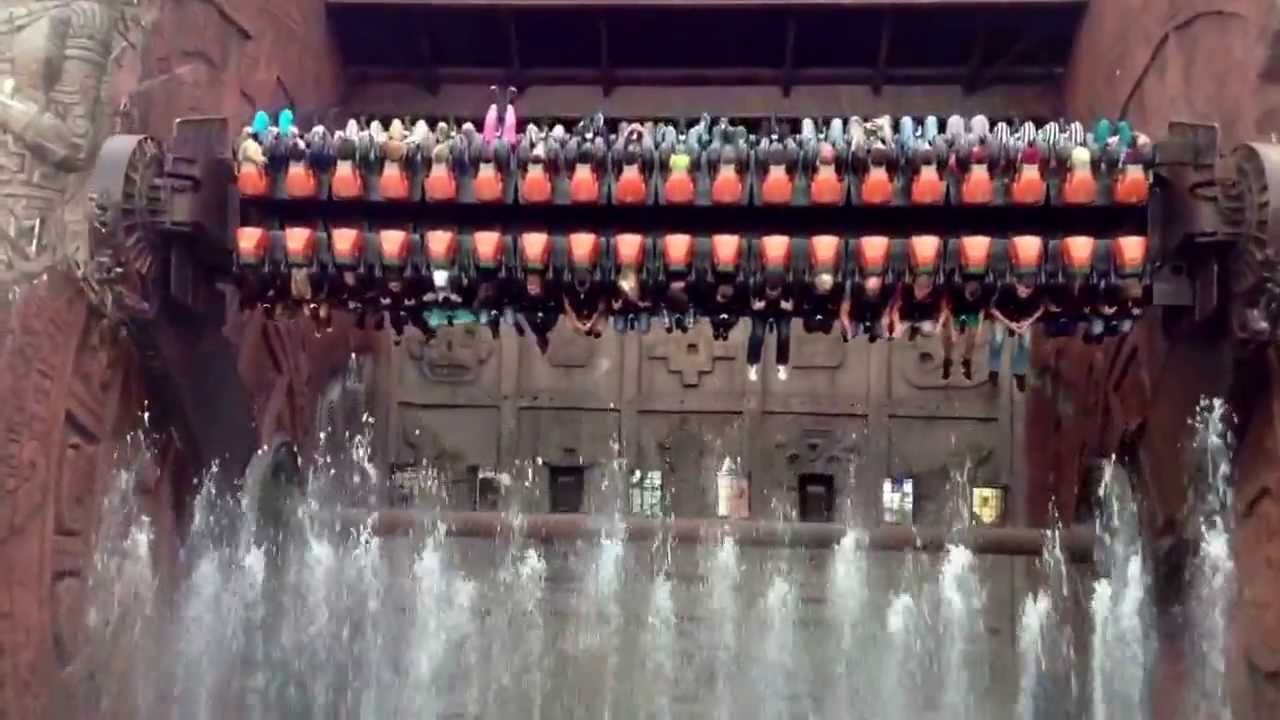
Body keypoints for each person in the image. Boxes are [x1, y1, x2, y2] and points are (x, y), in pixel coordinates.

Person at [988, 277, 1044, 392]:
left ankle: (1019, 372)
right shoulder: (1005, 289)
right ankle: (994, 370)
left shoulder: (1036, 293)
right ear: (1017, 285)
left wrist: (1028, 322)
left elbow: (1040, 309)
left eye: (1028, 293)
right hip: (1004, 317)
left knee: (1026, 344)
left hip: (1023, 319)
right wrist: (1010, 324)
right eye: (1022, 291)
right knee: (997, 342)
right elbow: (993, 309)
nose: (1024, 295)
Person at [746, 273, 794, 381]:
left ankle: (781, 364)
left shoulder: (788, 287)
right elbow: (752, 305)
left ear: (780, 289)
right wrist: (757, 306)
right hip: (761, 312)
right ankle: (752, 363)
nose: (772, 294)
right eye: (769, 291)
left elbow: (792, 306)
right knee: (758, 334)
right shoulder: (758, 286)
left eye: (775, 292)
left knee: (784, 333)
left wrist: (785, 305)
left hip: (781, 312)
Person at [942, 278, 990, 381]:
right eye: (969, 297)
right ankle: (947, 360)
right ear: (965, 291)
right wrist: (953, 332)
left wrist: (979, 331)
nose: (971, 300)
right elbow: (948, 312)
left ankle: (966, 360)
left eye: (973, 299)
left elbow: (981, 312)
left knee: (973, 334)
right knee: (949, 336)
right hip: (957, 313)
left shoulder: (982, 293)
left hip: (970, 314)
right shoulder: (956, 290)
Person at [890, 273, 947, 341]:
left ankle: (918, 329)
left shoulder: (937, 293)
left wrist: (939, 324)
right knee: (894, 334)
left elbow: (943, 310)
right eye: (918, 289)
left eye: (923, 290)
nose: (920, 293)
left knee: (931, 330)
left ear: (930, 288)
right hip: (906, 318)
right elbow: (895, 309)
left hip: (925, 318)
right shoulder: (904, 290)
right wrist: (897, 324)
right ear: (913, 285)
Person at [514, 271, 560, 353]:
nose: (539, 341)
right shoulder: (550, 324)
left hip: (527, 287)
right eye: (542, 343)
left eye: (539, 344)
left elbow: (518, 315)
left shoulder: (528, 329)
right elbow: (555, 308)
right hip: (541, 284)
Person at [840, 274, 892, 342]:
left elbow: (886, 313)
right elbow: (844, 312)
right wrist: (848, 331)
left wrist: (885, 332)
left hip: (874, 313)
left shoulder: (885, 292)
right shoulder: (855, 290)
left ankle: (874, 332)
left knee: (879, 330)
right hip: (858, 311)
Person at [564, 269, 606, 337]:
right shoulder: (591, 315)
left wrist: (580, 325)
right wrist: (590, 323)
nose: (585, 323)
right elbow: (597, 311)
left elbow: (571, 312)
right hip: (588, 287)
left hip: (578, 287)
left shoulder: (578, 315)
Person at [611, 268, 652, 334]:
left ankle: (635, 320)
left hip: (639, 310)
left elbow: (650, 301)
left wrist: (642, 303)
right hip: (623, 310)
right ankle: (626, 324)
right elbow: (611, 300)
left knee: (644, 328)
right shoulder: (619, 284)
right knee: (619, 328)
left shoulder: (642, 282)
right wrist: (615, 306)